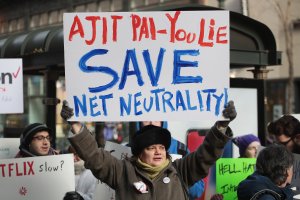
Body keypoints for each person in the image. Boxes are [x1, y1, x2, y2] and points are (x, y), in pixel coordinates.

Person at [60, 100, 237, 200]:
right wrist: (76, 125)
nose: (158, 152)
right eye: (151, 148)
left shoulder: (180, 170)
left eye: (161, 147)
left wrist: (221, 127)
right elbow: (94, 157)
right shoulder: (122, 171)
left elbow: (205, 155)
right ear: (138, 153)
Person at [137, 121, 205, 199]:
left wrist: (179, 177)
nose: (151, 123)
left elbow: (198, 191)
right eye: (146, 119)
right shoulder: (128, 151)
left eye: (156, 119)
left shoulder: (180, 149)